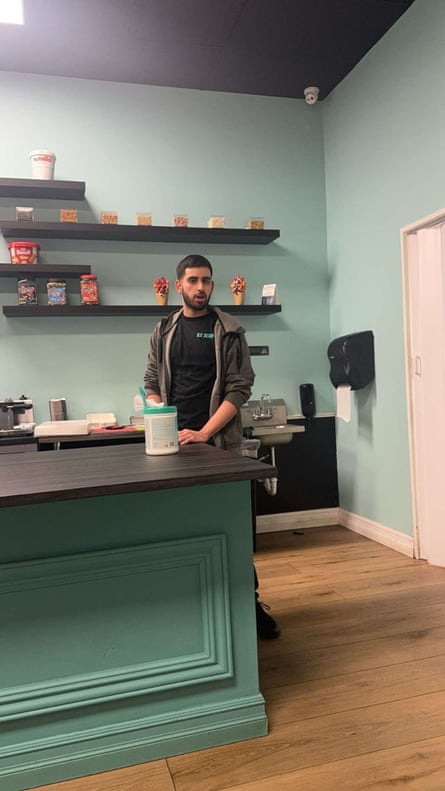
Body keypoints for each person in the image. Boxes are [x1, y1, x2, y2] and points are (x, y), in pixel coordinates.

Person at [144, 253, 280, 639]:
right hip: (173, 447)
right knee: (180, 527)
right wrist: (160, 413)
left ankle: (249, 606)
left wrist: (204, 433)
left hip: (218, 444)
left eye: (206, 280)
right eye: (192, 281)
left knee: (230, 526)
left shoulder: (230, 330)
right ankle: (190, 608)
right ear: (179, 285)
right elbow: (151, 380)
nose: (200, 287)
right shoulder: (163, 330)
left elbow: (240, 388)